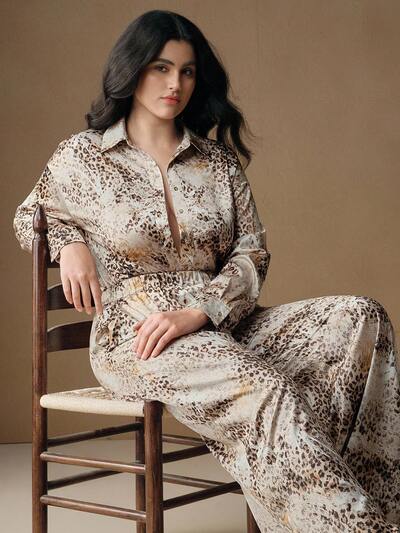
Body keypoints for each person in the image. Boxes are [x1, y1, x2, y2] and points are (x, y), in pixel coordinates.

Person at [13, 9, 399, 532]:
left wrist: (201, 310)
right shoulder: (83, 156)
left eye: (187, 71)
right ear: (132, 69)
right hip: (140, 334)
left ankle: (348, 506)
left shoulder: (216, 162)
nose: (175, 83)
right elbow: (30, 215)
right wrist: (69, 242)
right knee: (265, 387)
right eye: (161, 68)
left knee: (360, 318)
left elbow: (252, 254)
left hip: (220, 319)